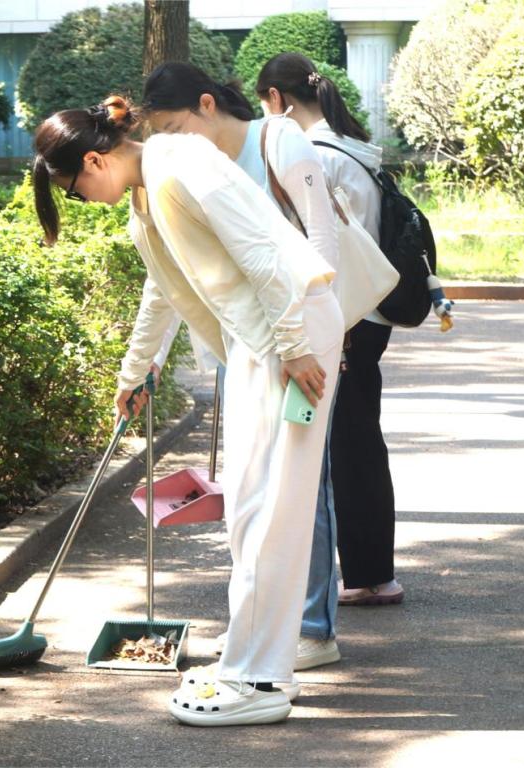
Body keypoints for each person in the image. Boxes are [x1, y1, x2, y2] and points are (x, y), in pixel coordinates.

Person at [32, 96, 344, 726]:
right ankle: (258, 668)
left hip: (288, 336)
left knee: (269, 511)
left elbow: (261, 251)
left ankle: (256, 679)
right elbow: (163, 288)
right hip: (265, 339)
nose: (83, 201)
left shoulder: (182, 163)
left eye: (73, 190)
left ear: (94, 161)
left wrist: (293, 348)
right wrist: (134, 372)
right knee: (253, 511)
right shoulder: (148, 192)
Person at [141, 62, 343, 671]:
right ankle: (258, 629)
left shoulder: (275, 140)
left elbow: (321, 240)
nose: (171, 142)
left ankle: (312, 629)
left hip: (302, 338)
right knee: (255, 498)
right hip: (249, 345)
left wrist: (317, 338)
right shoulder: (185, 167)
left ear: (207, 104)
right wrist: (145, 363)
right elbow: (170, 276)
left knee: (302, 488)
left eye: (175, 126)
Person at [256, 52, 404, 607]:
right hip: (369, 312)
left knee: (343, 448)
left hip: (341, 317)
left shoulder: (312, 155)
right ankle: (372, 572)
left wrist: (325, 329)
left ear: (276, 100)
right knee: (358, 440)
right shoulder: (355, 148)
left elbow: (319, 248)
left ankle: (367, 577)